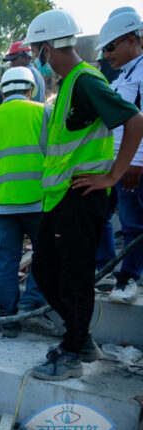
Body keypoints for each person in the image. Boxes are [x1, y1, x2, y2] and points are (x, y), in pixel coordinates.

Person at [25, 9, 143, 381]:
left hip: (81, 196)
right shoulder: (69, 85)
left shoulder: (86, 81)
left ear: (47, 48)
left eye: (35, 50)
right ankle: (81, 339)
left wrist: (113, 175)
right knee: (45, 272)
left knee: (73, 277)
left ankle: (73, 353)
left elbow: (135, 121)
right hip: (62, 197)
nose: (35, 57)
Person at [0, 67, 49, 338]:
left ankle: (8, 320)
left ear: (2, 91)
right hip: (39, 201)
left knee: (6, 263)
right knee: (45, 255)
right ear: (31, 89)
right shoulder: (45, 112)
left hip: (2, 204)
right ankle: (31, 304)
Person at [95, 8, 143, 303]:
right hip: (114, 163)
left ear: (131, 40)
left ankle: (128, 279)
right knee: (100, 215)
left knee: (133, 224)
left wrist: (136, 163)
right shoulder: (124, 73)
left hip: (132, 165)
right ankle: (106, 268)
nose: (107, 54)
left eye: (111, 47)